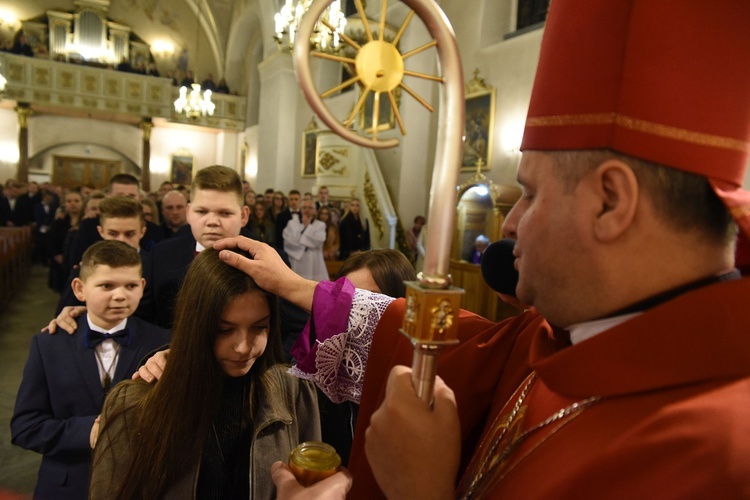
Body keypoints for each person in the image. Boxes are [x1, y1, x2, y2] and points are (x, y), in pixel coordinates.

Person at [210, 0, 750, 496]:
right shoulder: (564, 335)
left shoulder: (719, 456)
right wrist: (299, 287)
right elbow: (463, 348)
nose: (511, 220)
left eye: (531, 194)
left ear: (610, 202)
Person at [89, 248, 320, 499]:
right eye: (224, 329)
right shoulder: (133, 403)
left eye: (259, 327)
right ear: (197, 324)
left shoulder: (294, 391)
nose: (243, 347)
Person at [11, 240, 169, 500]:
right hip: (67, 485)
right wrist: (88, 431)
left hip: (139, 483)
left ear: (142, 287)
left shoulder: (162, 343)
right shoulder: (49, 344)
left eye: (130, 285)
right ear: (79, 289)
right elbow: (25, 427)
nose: (120, 295)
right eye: (106, 285)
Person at [56, 196, 149, 313]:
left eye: (129, 234)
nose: (121, 241)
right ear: (101, 232)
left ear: (142, 232)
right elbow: (63, 313)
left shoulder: (155, 268)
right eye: (113, 234)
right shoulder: (86, 267)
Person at [282, 198, 328, 281]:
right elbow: (289, 242)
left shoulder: (320, 225)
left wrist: (307, 226)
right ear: (300, 209)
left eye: (310, 208)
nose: (307, 210)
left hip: (314, 262)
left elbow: (318, 241)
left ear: (315, 211)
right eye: (304, 207)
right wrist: (306, 244)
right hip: (297, 261)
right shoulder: (292, 223)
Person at [47, 189, 83, 292]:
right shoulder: (59, 221)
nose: (73, 204)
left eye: (76, 201)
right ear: (64, 204)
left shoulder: (86, 222)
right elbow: (51, 242)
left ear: (82, 203)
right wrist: (58, 256)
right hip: (61, 264)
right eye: (69, 201)